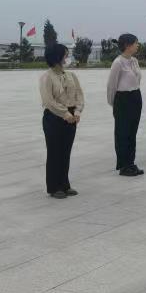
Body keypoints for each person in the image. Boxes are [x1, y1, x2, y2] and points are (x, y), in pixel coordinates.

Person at [40, 43, 84, 198]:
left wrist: (77, 111)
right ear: (57, 56)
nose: (67, 57)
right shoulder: (47, 77)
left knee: (66, 151)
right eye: (65, 54)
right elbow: (48, 101)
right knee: (54, 152)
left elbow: (79, 95)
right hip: (54, 117)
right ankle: (54, 187)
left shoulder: (71, 75)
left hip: (71, 116)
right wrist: (65, 114)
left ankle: (65, 185)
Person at [107, 34, 144, 177]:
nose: (137, 45)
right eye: (136, 43)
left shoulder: (134, 61)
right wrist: (114, 103)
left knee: (132, 132)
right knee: (122, 133)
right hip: (122, 99)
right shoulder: (118, 62)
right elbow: (111, 85)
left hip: (135, 97)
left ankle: (131, 162)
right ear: (127, 45)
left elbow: (137, 79)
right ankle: (123, 165)